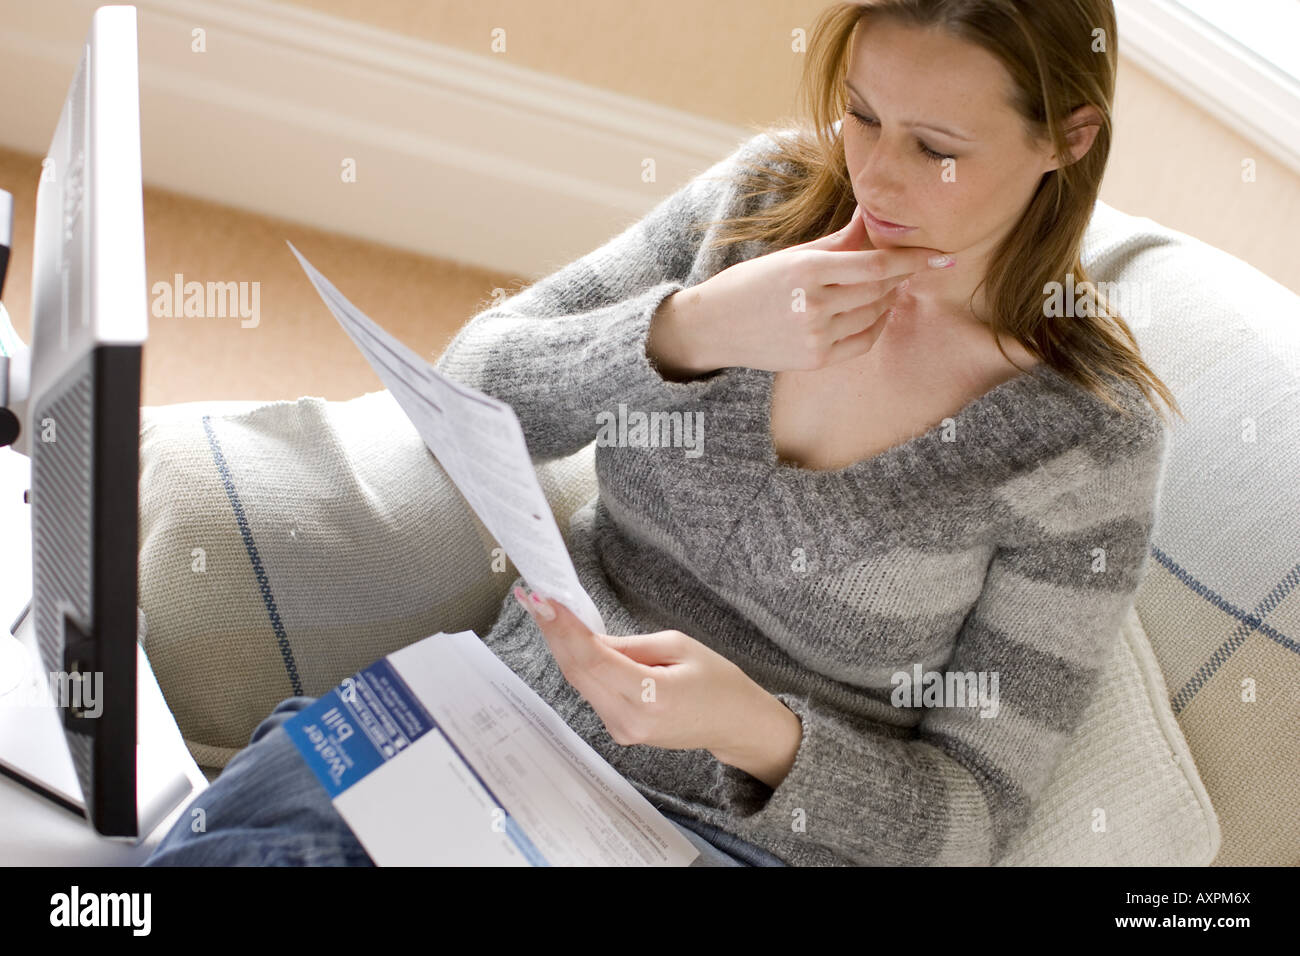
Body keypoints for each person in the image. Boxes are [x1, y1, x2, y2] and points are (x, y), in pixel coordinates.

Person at [146, 0, 1181, 868]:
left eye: (936, 149)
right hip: (505, 720)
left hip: (721, 841)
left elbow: (973, 813)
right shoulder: (758, 206)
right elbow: (467, 389)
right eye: (862, 116)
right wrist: (693, 326)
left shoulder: (1083, 440)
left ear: (1067, 138)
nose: (874, 176)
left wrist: (751, 728)